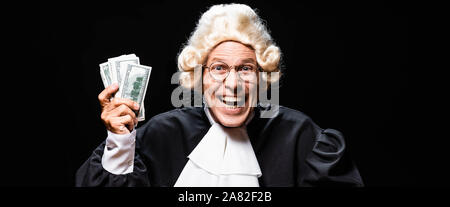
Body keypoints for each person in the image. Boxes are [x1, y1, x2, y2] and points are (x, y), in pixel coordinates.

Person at [76, 3, 363, 187]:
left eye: (246, 68)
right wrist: (120, 142)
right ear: (199, 76)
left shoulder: (302, 136)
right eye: (219, 68)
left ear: (263, 76)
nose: (233, 84)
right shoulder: (160, 134)